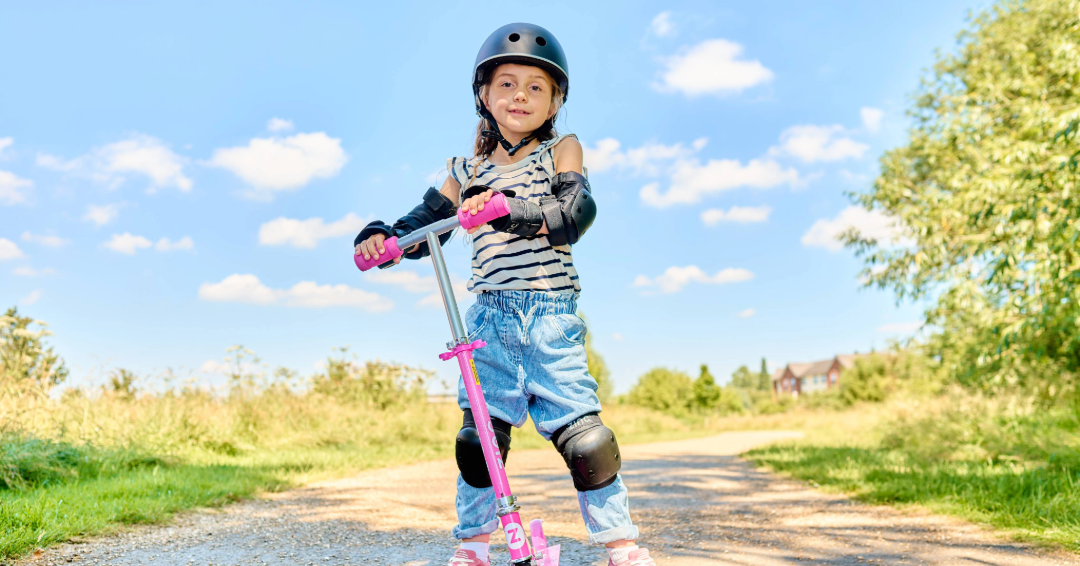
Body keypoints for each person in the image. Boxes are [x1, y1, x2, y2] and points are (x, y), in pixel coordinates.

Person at [354, 23, 655, 566]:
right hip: (488, 320)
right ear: (484, 97)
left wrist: (505, 209)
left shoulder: (561, 149)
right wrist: (385, 239)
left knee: (586, 441)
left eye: (536, 87)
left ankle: (621, 545)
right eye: (507, 84)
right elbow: (427, 224)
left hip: (549, 317)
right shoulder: (465, 169)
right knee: (479, 443)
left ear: (555, 100)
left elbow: (573, 215)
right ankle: (473, 545)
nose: (521, 95)